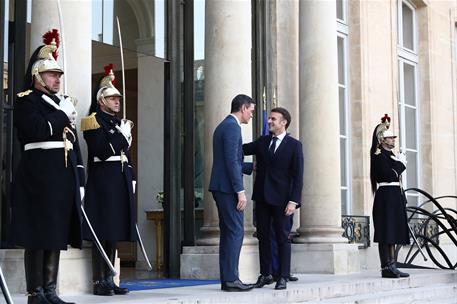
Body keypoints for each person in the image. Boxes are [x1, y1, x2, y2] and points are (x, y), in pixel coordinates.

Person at [11, 29, 84, 304]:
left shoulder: (60, 104)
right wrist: (60, 114)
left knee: (56, 232)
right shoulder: (25, 101)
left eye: (58, 75)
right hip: (38, 175)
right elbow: (37, 130)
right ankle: (36, 292)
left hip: (61, 175)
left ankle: (51, 290)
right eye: (53, 74)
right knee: (38, 234)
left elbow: (72, 143)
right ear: (38, 76)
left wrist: (79, 178)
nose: (57, 79)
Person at [80, 64, 135, 296]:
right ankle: (99, 281)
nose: (117, 101)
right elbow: (103, 150)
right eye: (112, 98)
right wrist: (122, 136)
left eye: (118, 98)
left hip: (118, 180)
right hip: (103, 182)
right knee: (102, 232)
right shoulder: (93, 121)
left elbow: (125, 154)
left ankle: (110, 278)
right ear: (101, 100)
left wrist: (131, 175)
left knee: (113, 232)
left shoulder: (115, 122)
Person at [243, 107, 303, 290]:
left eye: (273, 119)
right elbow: (240, 149)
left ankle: (283, 276)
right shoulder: (262, 142)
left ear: (284, 122)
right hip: (262, 198)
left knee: (282, 237)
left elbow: (298, 175)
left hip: (283, 200)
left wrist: (294, 201)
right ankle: (265, 274)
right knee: (263, 237)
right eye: (269, 119)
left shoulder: (294, 145)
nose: (269, 121)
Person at [208, 94, 256, 292]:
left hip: (223, 187)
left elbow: (232, 160)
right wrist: (240, 191)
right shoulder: (232, 126)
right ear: (243, 108)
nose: (251, 115)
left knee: (230, 233)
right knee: (235, 232)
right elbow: (230, 162)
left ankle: (228, 279)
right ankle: (231, 279)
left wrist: (251, 167)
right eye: (251, 111)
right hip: (228, 189)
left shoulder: (225, 125)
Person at [370, 114, 410, 278]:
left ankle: (393, 264)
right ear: (382, 139)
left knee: (393, 232)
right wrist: (401, 164)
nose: (393, 140)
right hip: (386, 196)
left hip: (394, 196)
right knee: (386, 232)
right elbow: (389, 175)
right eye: (390, 138)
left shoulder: (391, 155)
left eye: (393, 138)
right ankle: (386, 267)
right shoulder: (379, 156)